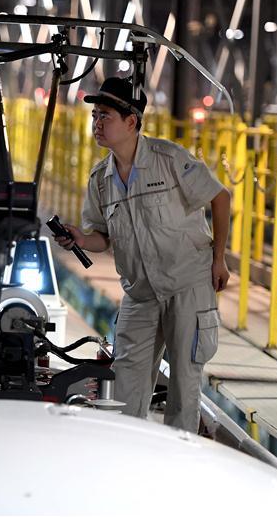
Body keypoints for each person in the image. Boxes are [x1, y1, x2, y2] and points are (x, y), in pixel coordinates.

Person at [54, 77, 231, 432]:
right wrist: (80, 238)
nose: (97, 124)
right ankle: (126, 461)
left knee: (184, 384)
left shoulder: (169, 159)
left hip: (187, 286)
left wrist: (219, 258)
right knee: (124, 385)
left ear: (131, 121)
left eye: (105, 116)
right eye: (94, 116)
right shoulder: (100, 179)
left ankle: (177, 466)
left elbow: (220, 195)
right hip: (140, 293)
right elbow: (102, 237)